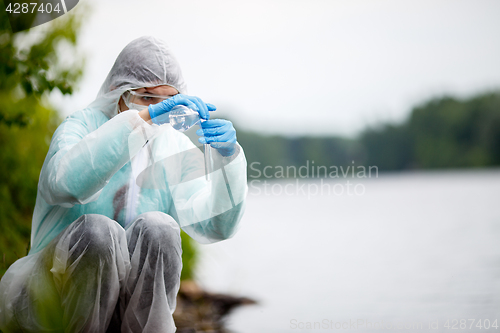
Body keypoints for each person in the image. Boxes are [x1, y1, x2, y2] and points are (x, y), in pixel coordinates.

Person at [0, 36, 248, 333]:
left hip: (124, 310)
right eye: (147, 98)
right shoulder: (80, 126)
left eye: (167, 101)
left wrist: (227, 159)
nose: (159, 110)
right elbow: (65, 183)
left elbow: (215, 226)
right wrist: (140, 121)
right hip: (53, 303)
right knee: (98, 232)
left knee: (161, 227)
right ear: (119, 91)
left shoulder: (171, 147)